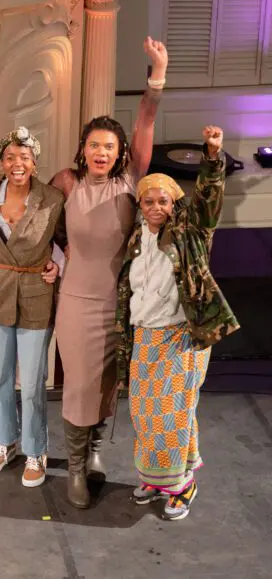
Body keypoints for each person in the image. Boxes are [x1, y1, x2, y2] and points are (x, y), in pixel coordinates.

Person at [0, 37, 167, 507]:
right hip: (76, 302)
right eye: (94, 144)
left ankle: (95, 448)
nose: (101, 152)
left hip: (121, 304)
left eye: (109, 146)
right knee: (79, 383)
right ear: (83, 149)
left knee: (107, 383)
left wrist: (157, 76)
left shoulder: (130, 181)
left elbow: (146, 120)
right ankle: (76, 468)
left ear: (120, 152)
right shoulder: (67, 182)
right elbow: (31, 205)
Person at [115, 126, 238, 521]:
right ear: (139, 205)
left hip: (180, 337)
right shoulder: (136, 239)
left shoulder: (190, 233)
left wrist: (212, 157)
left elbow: (209, 202)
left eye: (164, 200)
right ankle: (156, 479)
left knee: (173, 413)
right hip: (144, 337)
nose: (156, 207)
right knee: (144, 413)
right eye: (148, 200)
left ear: (175, 203)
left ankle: (182, 485)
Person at [0, 127, 63, 488]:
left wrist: (59, 267)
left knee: (31, 383)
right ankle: (5, 441)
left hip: (34, 293)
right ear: (1, 162)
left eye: (24, 157)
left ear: (34, 163)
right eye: (10, 157)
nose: (17, 163)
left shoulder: (53, 199)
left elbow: (69, 241)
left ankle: (35, 449)